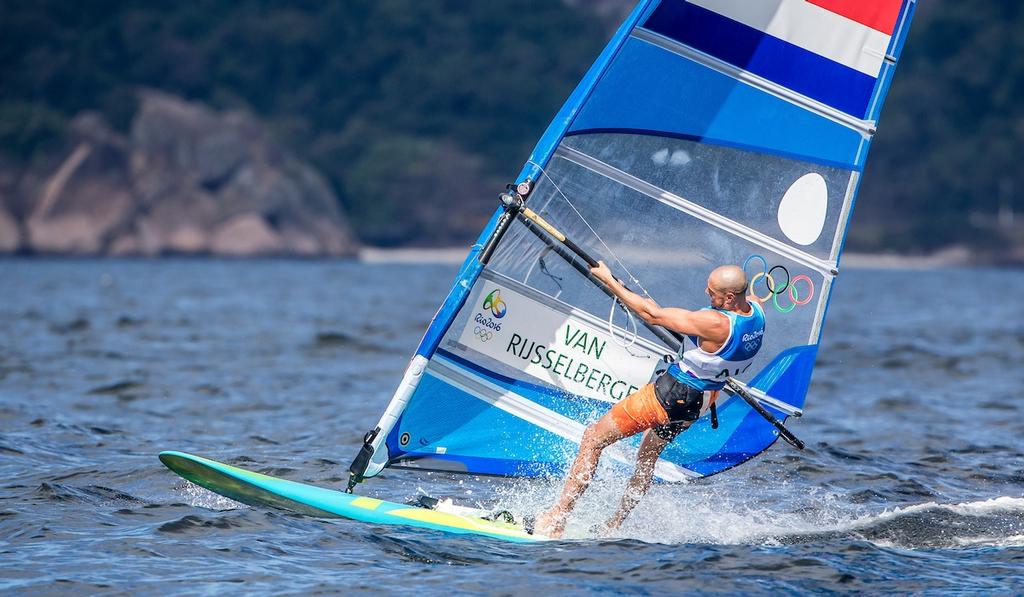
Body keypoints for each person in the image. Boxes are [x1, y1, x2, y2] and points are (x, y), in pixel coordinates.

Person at [533, 261, 766, 538]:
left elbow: (652, 315)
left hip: (671, 394)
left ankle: (556, 519)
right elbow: (745, 302)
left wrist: (609, 279)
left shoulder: (715, 323)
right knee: (646, 457)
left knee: (593, 439)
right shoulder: (757, 312)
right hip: (701, 403)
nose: (706, 291)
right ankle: (614, 525)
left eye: (712, 291)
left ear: (729, 298)